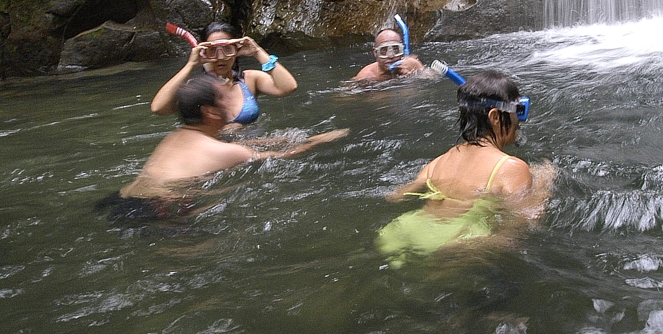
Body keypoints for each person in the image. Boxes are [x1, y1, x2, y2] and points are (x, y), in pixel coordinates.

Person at [376, 71, 554, 266]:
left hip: (401, 230)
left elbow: (397, 196)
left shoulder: (442, 159)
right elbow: (525, 223)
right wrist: (544, 182)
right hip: (453, 242)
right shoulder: (510, 167)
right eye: (518, 111)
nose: (519, 121)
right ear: (495, 117)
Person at [120, 76, 348, 201]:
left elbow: (231, 146)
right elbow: (285, 156)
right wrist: (319, 141)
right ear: (210, 112)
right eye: (223, 97)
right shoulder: (227, 152)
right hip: (161, 210)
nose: (230, 99)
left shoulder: (175, 137)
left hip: (126, 198)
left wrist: (277, 138)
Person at [151, 22, 296, 126]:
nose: (220, 57)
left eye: (227, 49)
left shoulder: (250, 79)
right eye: (212, 50)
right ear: (203, 51)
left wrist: (257, 52)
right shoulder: (196, 90)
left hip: (253, 152)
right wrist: (191, 65)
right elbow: (159, 108)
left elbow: (288, 87)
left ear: (237, 50)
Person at [352, 27, 425, 82]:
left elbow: (432, 77)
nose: (391, 56)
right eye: (384, 50)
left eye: (396, 49)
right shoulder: (366, 77)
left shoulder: (412, 65)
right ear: (375, 52)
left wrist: (413, 77)